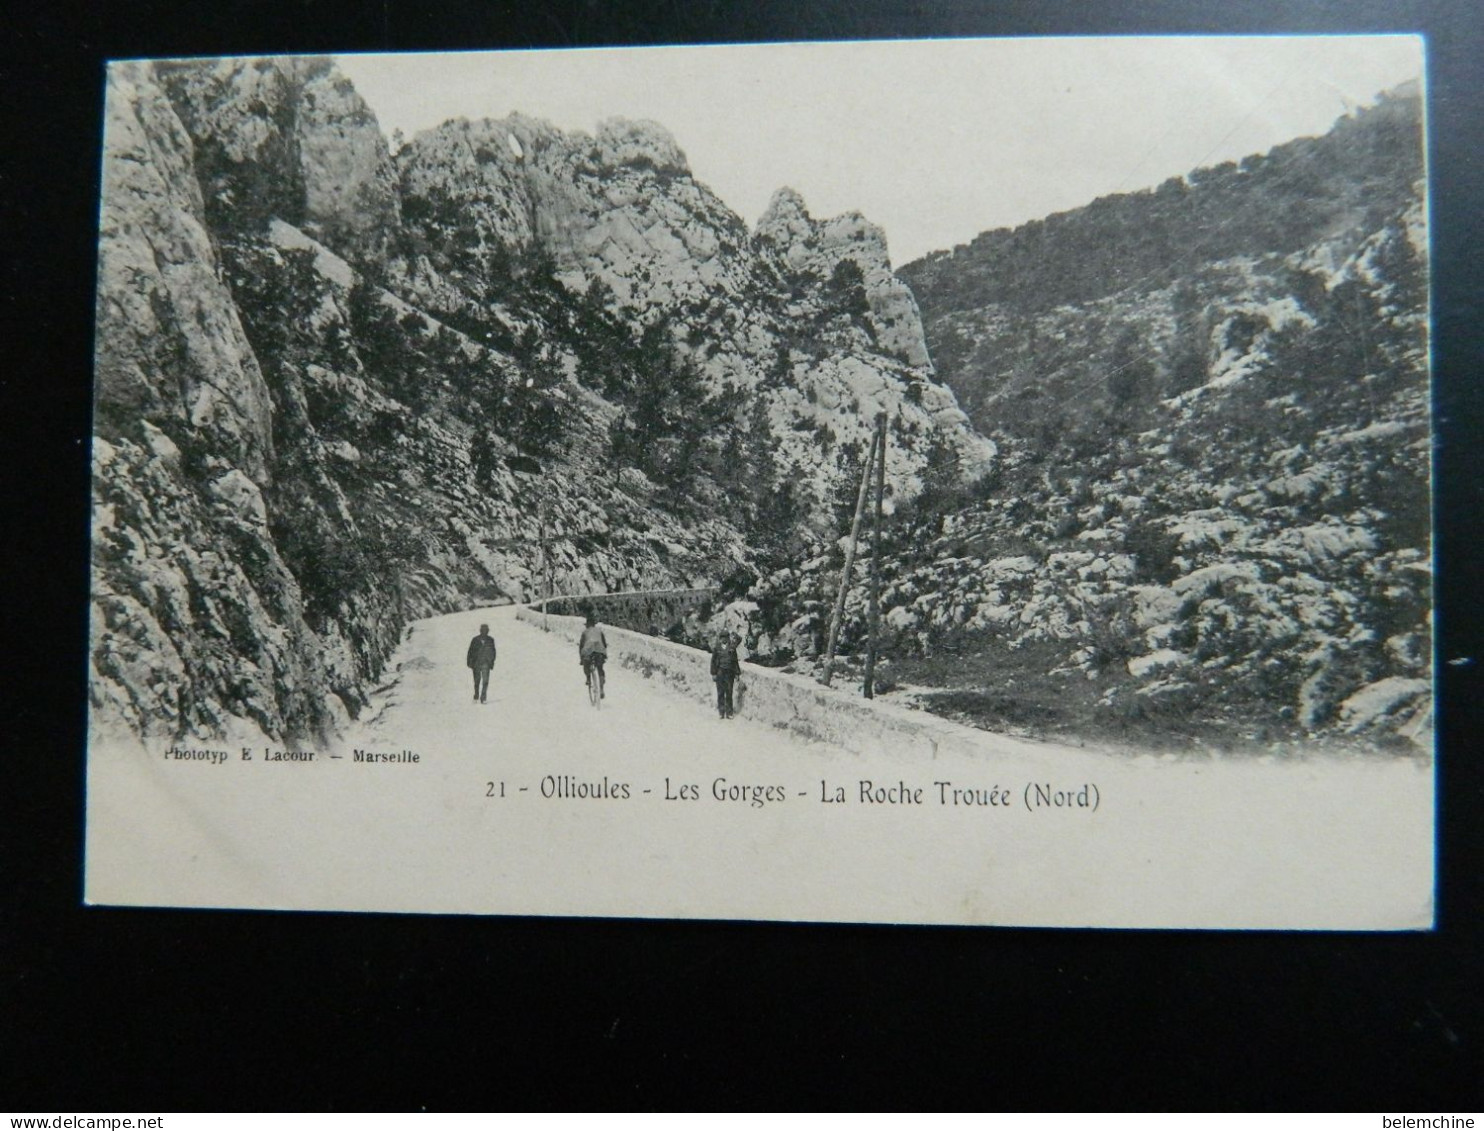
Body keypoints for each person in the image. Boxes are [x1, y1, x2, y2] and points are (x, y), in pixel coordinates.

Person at [711, 632, 741, 719]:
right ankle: (721, 712)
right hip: (720, 672)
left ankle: (729, 712)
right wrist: (713, 673)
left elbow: (735, 661)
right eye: (722, 637)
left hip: (729, 673)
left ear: (728, 638)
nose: (724, 639)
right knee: (720, 692)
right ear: (720, 639)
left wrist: (737, 673)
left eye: (726, 637)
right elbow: (713, 661)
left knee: (729, 692)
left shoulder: (732, 648)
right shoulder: (717, 648)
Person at [578, 611, 607, 700]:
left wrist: (581, 659)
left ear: (587, 624)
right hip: (599, 651)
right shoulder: (599, 631)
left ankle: (588, 678)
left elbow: (581, 646)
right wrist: (604, 655)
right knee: (600, 669)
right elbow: (604, 644)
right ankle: (601, 689)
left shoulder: (585, 632)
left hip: (588, 651)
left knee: (586, 664)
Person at [466, 623, 497, 703]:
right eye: (483, 631)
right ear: (480, 631)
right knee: (477, 681)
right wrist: (469, 662)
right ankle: (476, 696)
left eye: (486, 631)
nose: (485, 632)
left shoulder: (491, 640)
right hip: (476, 663)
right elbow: (470, 651)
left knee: (485, 681)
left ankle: (483, 698)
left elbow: (493, 652)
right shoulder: (475, 640)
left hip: (486, 663)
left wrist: (492, 661)